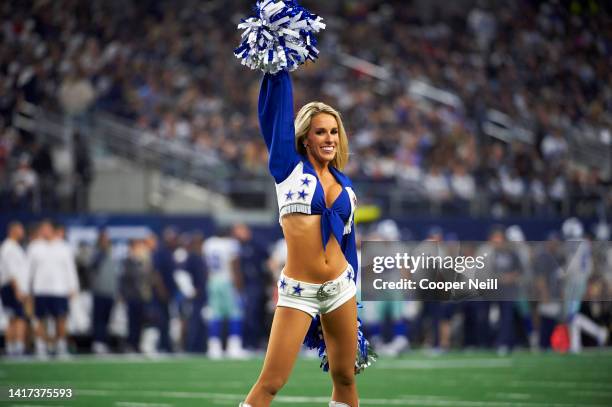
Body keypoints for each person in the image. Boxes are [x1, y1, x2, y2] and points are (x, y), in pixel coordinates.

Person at [241, 69, 369, 407]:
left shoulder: (346, 185)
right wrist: (278, 71)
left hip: (340, 288)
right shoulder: (288, 168)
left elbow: (348, 241)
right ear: (306, 138)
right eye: (320, 132)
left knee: (345, 377)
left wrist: (354, 297)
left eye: (334, 132)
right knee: (270, 382)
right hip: (300, 291)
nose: (329, 138)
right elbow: (274, 116)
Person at [29, 221, 79, 358]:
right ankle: (41, 347)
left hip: (59, 290)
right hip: (40, 289)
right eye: (42, 229)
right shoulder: (34, 247)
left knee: (61, 319)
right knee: (39, 319)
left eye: (47, 228)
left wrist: (73, 286)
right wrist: (27, 289)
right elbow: (28, 270)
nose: (45, 231)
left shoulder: (64, 247)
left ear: (52, 230)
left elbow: (70, 269)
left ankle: (61, 346)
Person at [202, 228, 245, 359]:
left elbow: (206, 267)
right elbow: (234, 266)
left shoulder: (208, 244)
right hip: (227, 281)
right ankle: (234, 347)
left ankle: (214, 348)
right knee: (235, 314)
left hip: (213, 281)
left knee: (215, 315)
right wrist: (239, 286)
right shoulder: (231, 244)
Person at [0, 221, 29, 356]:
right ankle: (17, 348)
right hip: (12, 287)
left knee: (12, 318)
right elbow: (12, 271)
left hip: (12, 286)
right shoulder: (9, 247)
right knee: (18, 318)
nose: (22, 232)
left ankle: (11, 348)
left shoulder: (14, 247)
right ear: (13, 230)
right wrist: (17, 289)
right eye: (20, 229)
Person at [90, 230, 120, 354]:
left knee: (107, 319)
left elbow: (116, 275)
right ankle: (97, 342)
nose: (106, 242)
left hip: (110, 292)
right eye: (103, 240)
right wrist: (102, 252)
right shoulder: (96, 254)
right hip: (99, 291)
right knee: (98, 318)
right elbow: (92, 266)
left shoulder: (113, 254)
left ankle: (103, 341)